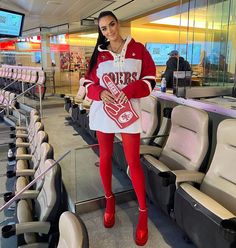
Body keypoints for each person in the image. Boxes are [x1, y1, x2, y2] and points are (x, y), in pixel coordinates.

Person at [84, 11, 156, 246]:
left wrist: (128, 91)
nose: (109, 31)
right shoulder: (100, 54)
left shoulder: (139, 50)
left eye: (111, 25)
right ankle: (110, 200)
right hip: (104, 112)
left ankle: (143, 213)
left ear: (118, 23)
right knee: (104, 157)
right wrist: (100, 92)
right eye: (103, 28)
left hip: (129, 113)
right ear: (101, 32)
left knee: (132, 161)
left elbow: (150, 81)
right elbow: (87, 84)